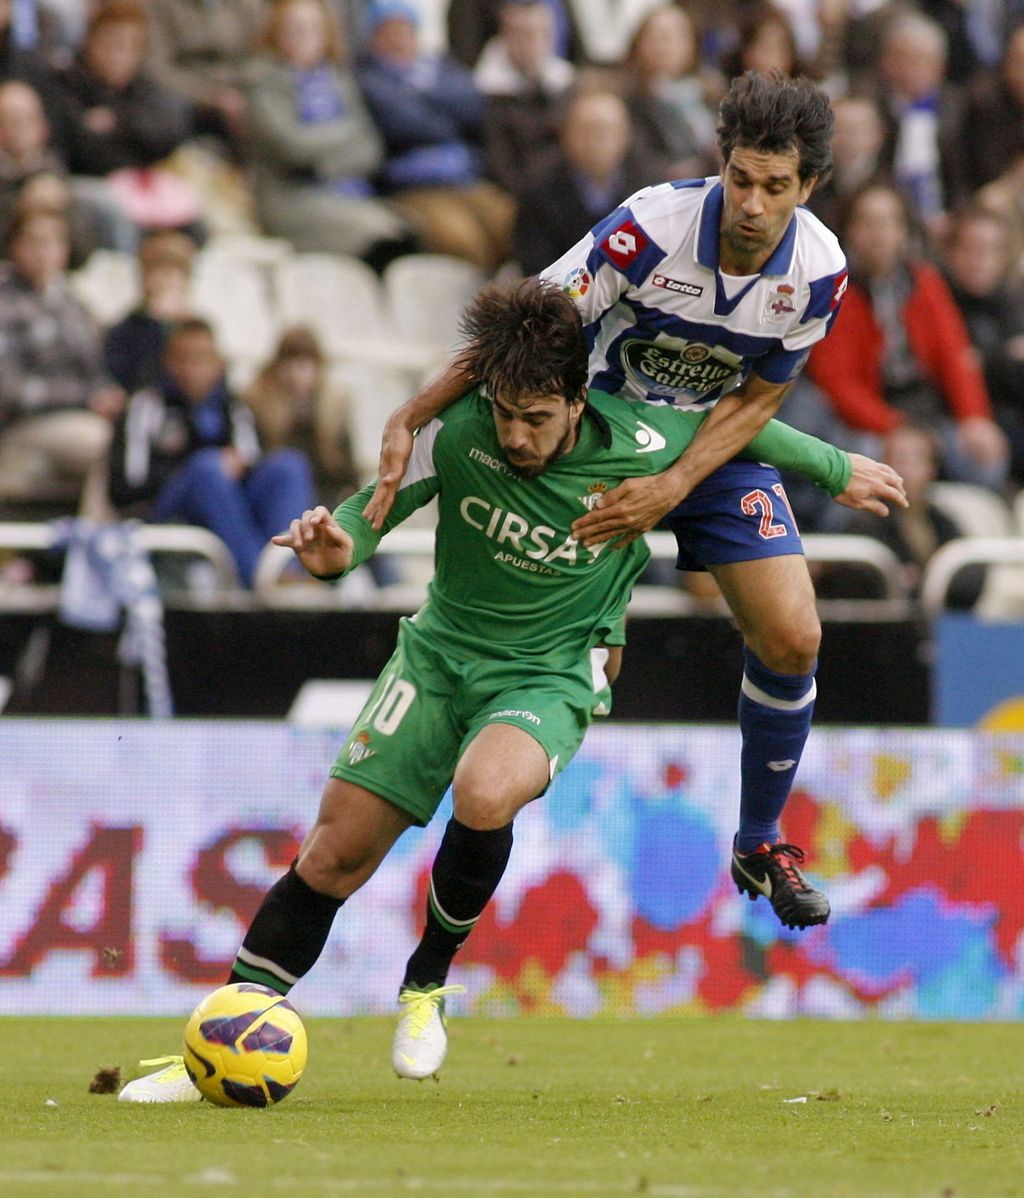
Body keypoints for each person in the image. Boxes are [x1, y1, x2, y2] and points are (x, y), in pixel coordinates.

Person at [117, 277, 906, 1102]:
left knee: (484, 790)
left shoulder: (645, 438)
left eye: (537, 419)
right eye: (505, 416)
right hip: (437, 658)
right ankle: (220, 1042)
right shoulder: (458, 433)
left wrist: (837, 465)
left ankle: (425, 986)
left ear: (577, 398)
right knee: (331, 857)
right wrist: (329, 550)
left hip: (550, 669)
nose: (518, 437)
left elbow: (745, 426)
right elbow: (364, 518)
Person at [367, 70, 860, 935]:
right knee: (587, 652)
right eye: (741, 178)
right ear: (723, 164)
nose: (751, 202)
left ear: (808, 186)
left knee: (795, 633)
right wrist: (415, 410)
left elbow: (759, 398)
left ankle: (760, 839)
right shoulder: (648, 229)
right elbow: (523, 328)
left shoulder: (818, 273)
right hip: (587, 442)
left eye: (774, 187)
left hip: (703, 450)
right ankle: (485, 752)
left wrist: (674, 483)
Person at [804, 182, 1010, 493]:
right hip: (862, 422)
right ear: (850, 229)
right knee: (864, 459)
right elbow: (835, 382)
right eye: (869, 223)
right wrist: (896, 428)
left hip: (924, 412)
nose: (879, 234)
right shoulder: (834, 289)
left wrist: (974, 418)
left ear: (903, 231)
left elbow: (954, 355)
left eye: (889, 223)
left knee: (985, 461)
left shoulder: (924, 281)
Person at [106, 318, 315, 587]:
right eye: (185, 358)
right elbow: (125, 488)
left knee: (289, 465)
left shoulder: (233, 408)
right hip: (166, 512)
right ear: (168, 362)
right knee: (207, 469)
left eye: (202, 358)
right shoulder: (146, 407)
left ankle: (291, 570)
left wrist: (240, 467)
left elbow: (251, 461)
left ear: (218, 363)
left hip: (228, 509)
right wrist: (192, 470)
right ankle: (264, 581)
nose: (193, 368)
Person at [242, 0, 418, 271]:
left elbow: (370, 148)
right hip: (290, 201)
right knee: (378, 238)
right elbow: (293, 148)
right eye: (293, 29)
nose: (302, 37)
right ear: (275, 33)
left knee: (411, 230)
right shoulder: (263, 81)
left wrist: (322, 160)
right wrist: (346, 135)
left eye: (311, 28)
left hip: (348, 194)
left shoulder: (339, 79)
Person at [0, 207, 123, 517]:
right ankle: (97, 544)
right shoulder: (6, 303)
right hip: (21, 423)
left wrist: (107, 394)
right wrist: (85, 398)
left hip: (76, 418)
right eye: (35, 241)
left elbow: (96, 369)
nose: (44, 252)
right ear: (15, 246)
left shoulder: (73, 304)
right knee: (101, 442)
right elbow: (10, 390)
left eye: (54, 242)